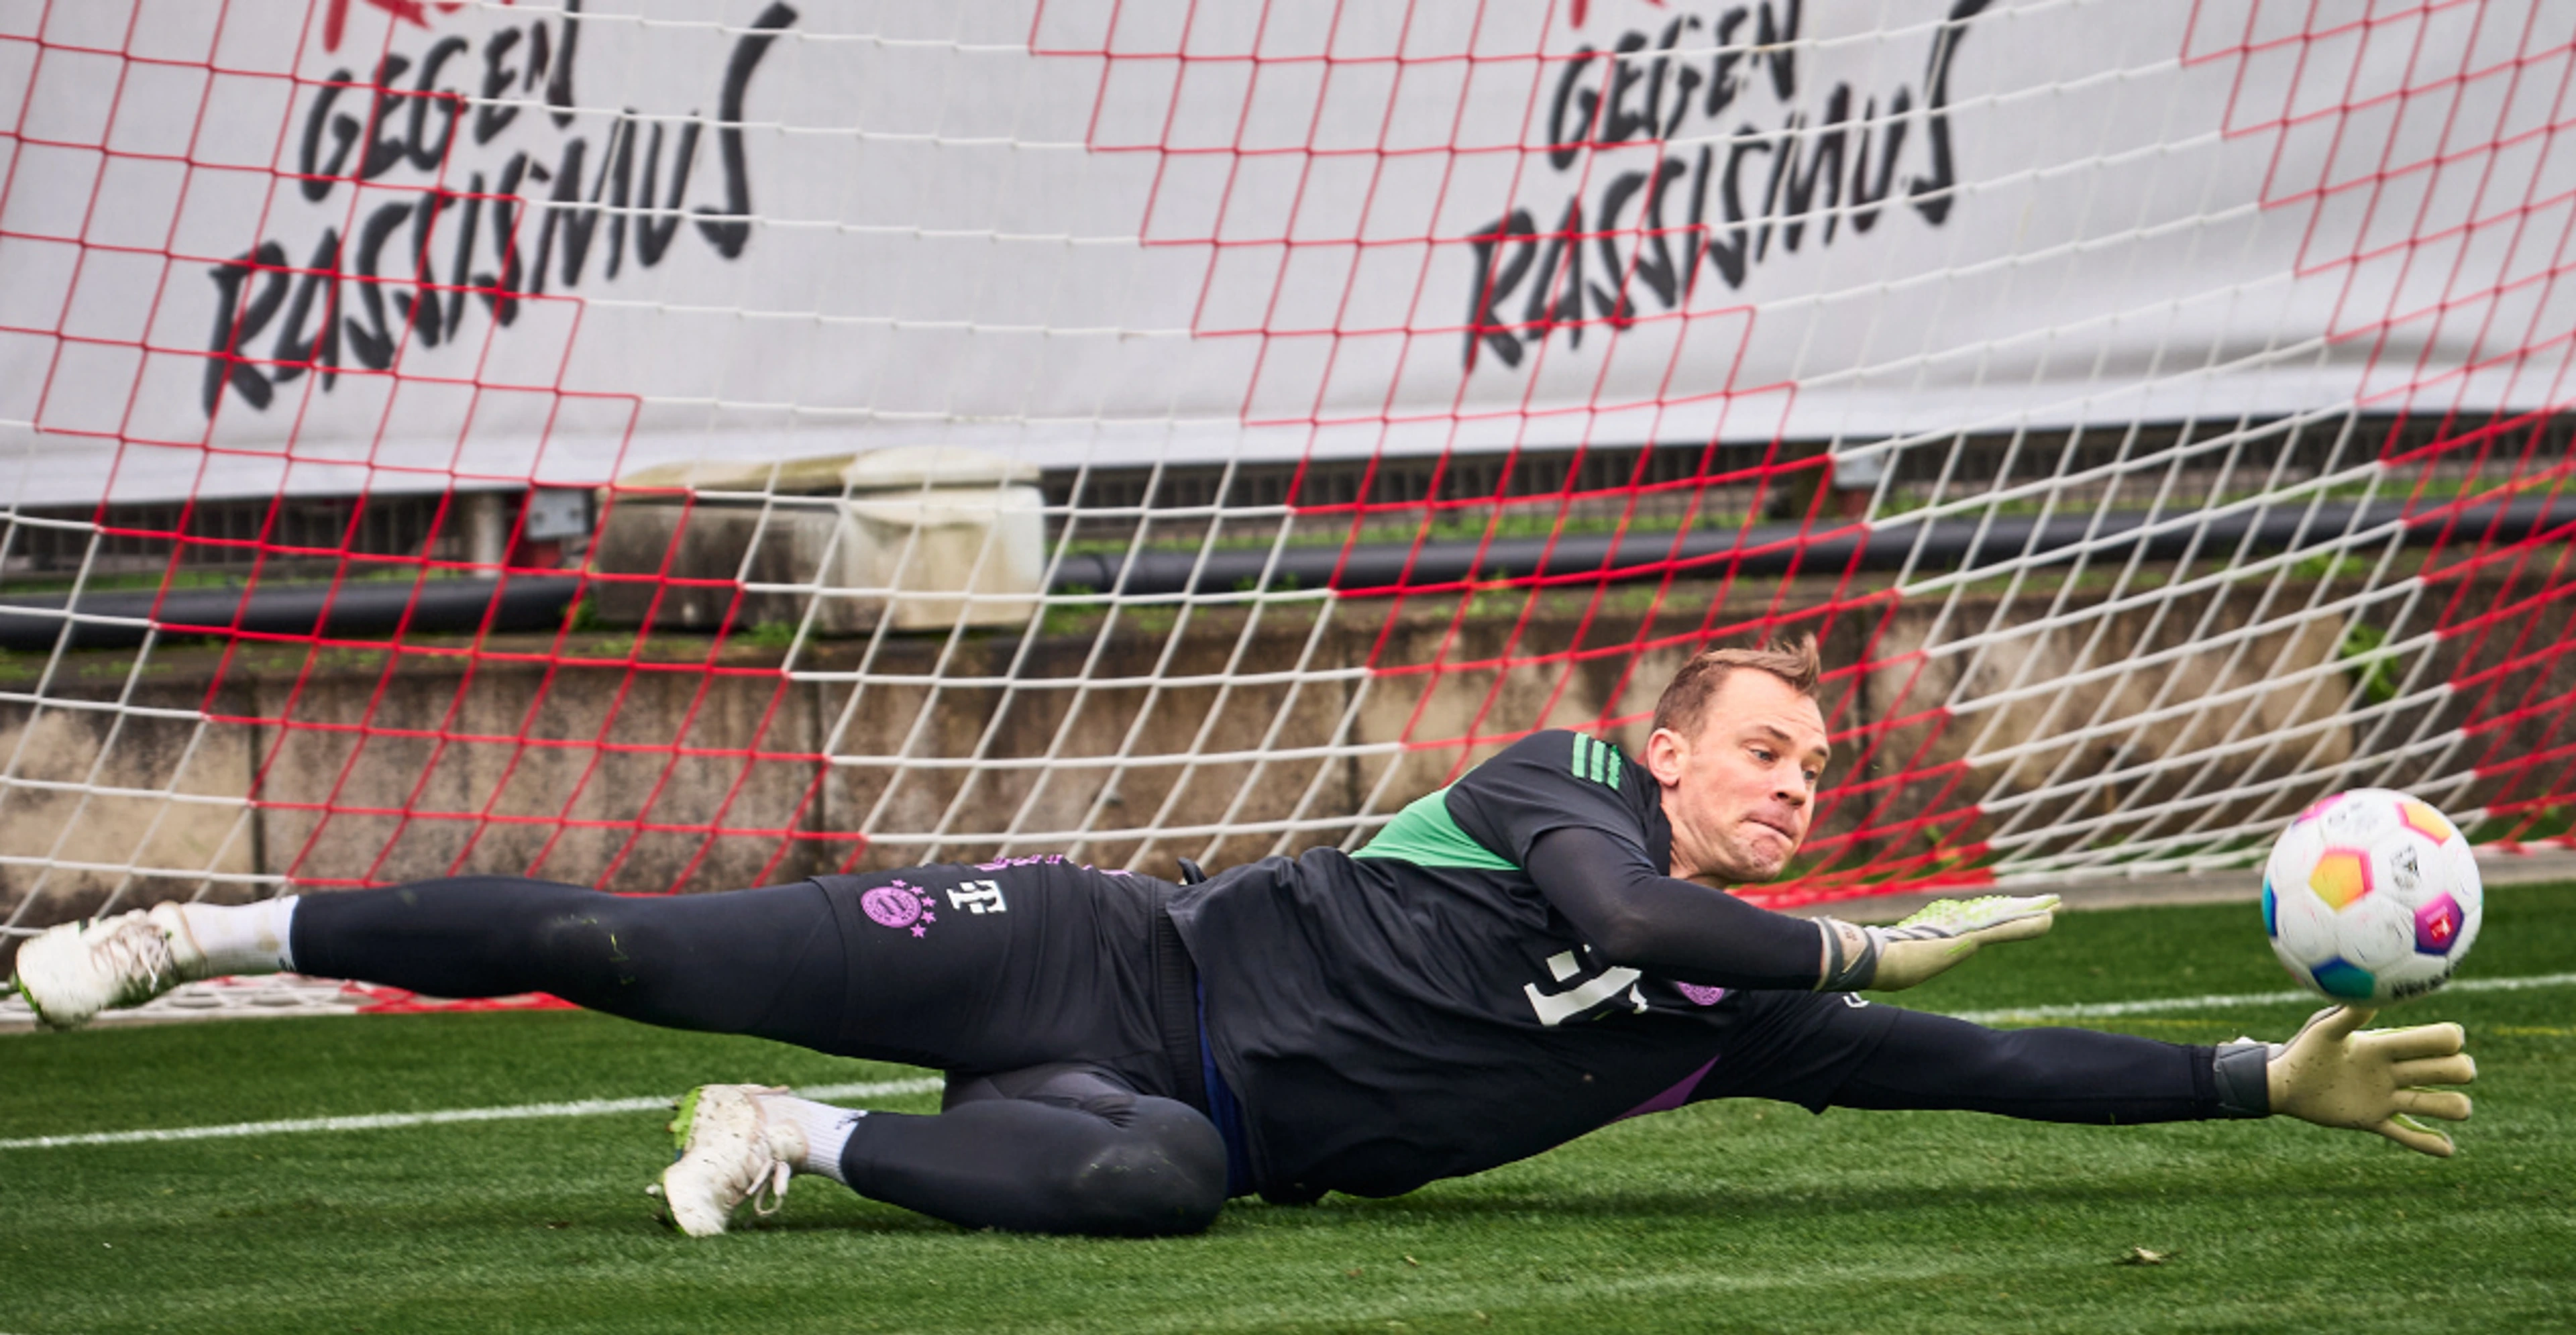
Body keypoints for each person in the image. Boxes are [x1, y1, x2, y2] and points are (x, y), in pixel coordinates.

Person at [7, 641, 2477, 1238]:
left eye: (1819, 769)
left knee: (1166, 1191)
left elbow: (1986, 1066)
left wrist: (2263, 1079)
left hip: (1150, 1106)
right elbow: (1633, 909)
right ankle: (198, 925)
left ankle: (791, 1138)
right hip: (1087, 958)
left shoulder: (1728, 1016)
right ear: (1669, 741)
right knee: (621, 938)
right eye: (1765, 750)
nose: (1794, 782)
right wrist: (1844, 946)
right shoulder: (1569, 790)